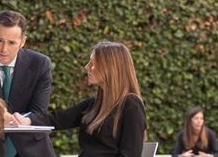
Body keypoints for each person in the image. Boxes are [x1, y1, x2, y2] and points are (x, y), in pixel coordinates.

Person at [11, 41, 147, 157]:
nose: (87, 67)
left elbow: (131, 154)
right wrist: (28, 120)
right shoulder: (95, 103)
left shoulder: (131, 104)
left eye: (93, 63)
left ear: (110, 68)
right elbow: (59, 119)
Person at [0, 10, 55, 157]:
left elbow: (39, 112)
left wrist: (24, 120)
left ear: (22, 42)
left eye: (11, 43)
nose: (4, 49)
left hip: (30, 148)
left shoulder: (40, 64)